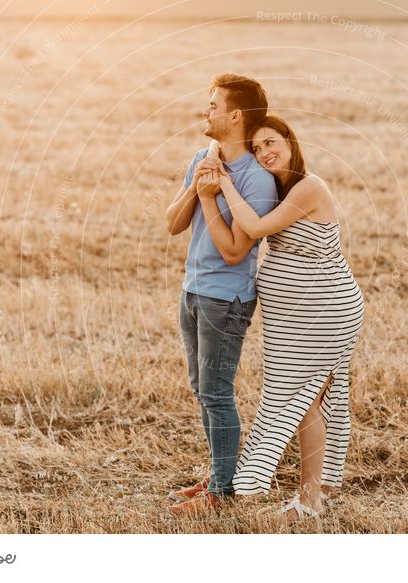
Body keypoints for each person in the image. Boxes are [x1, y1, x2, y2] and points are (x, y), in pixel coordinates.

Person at [195, 115, 364, 520]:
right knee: (311, 400)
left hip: (324, 310)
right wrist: (219, 156)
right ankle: (317, 490)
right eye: (257, 149)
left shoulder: (308, 188)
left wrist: (226, 184)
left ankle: (309, 502)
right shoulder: (283, 188)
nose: (265, 153)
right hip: (296, 317)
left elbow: (251, 227)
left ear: (291, 141)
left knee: (303, 401)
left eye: (271, 143)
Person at [165, 74, 278, 516]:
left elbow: (234, 252)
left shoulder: (258, 180)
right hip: (192, 290)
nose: (206, 111)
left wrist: (210, 195)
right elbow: (173, 224)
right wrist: (199, 182)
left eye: (213, 105)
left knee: (216, 392)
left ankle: (222, 491)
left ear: (235, 116)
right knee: (201, 388)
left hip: (226, 300)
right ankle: (216, 478)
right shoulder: (203, 158)